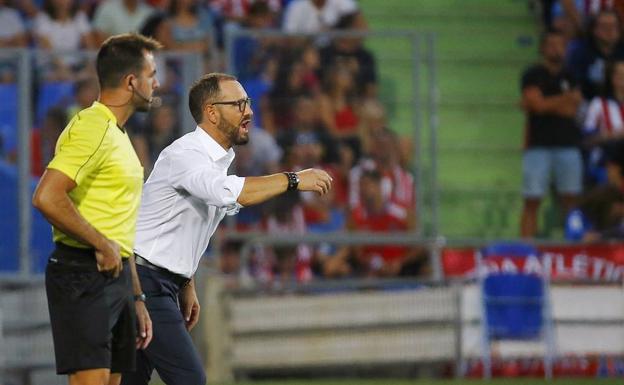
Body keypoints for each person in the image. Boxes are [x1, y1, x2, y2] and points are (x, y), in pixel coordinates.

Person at [121, 72, 332, 385]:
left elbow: (182, 225)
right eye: (239, 104)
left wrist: (185, 282)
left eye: (247, 102)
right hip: (143, 282)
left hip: (156, 281)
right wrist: (293, 179)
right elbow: (229, 193)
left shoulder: (215, 160)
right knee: (190, 380)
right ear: (212, 112)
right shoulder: (187, 154)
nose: (249, 111)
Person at [32, 33, 162, 385]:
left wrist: (135, 295)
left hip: (114, 273)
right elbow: (47, 196)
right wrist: (102, 245)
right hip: (83, 271)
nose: (157, 83)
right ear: (131, 81)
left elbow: (119, 225)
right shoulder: (92, 127)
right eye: (152, 74)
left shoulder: (117, 134)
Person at [520, 30, 583, 238]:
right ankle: (526, 247)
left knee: (570, 199)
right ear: (543, 48)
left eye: (560, 44)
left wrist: (543, 104)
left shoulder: (572, 75)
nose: (556, 49)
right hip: (538, 145)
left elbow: (573, 109)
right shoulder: (532, 74)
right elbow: (537, 105)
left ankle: (573, 246)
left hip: (568, 145)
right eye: (551, 44)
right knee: (532, 199)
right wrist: (564, 99)